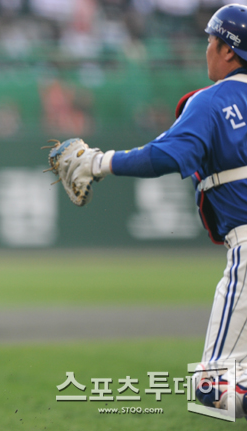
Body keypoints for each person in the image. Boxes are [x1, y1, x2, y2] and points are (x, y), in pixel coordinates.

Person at [47, 3, 247, 418]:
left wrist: (97, 162)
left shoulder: (212, 101)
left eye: (210, 40)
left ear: (228, 50)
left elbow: (169, 156)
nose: (206, 48)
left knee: (216, 390)